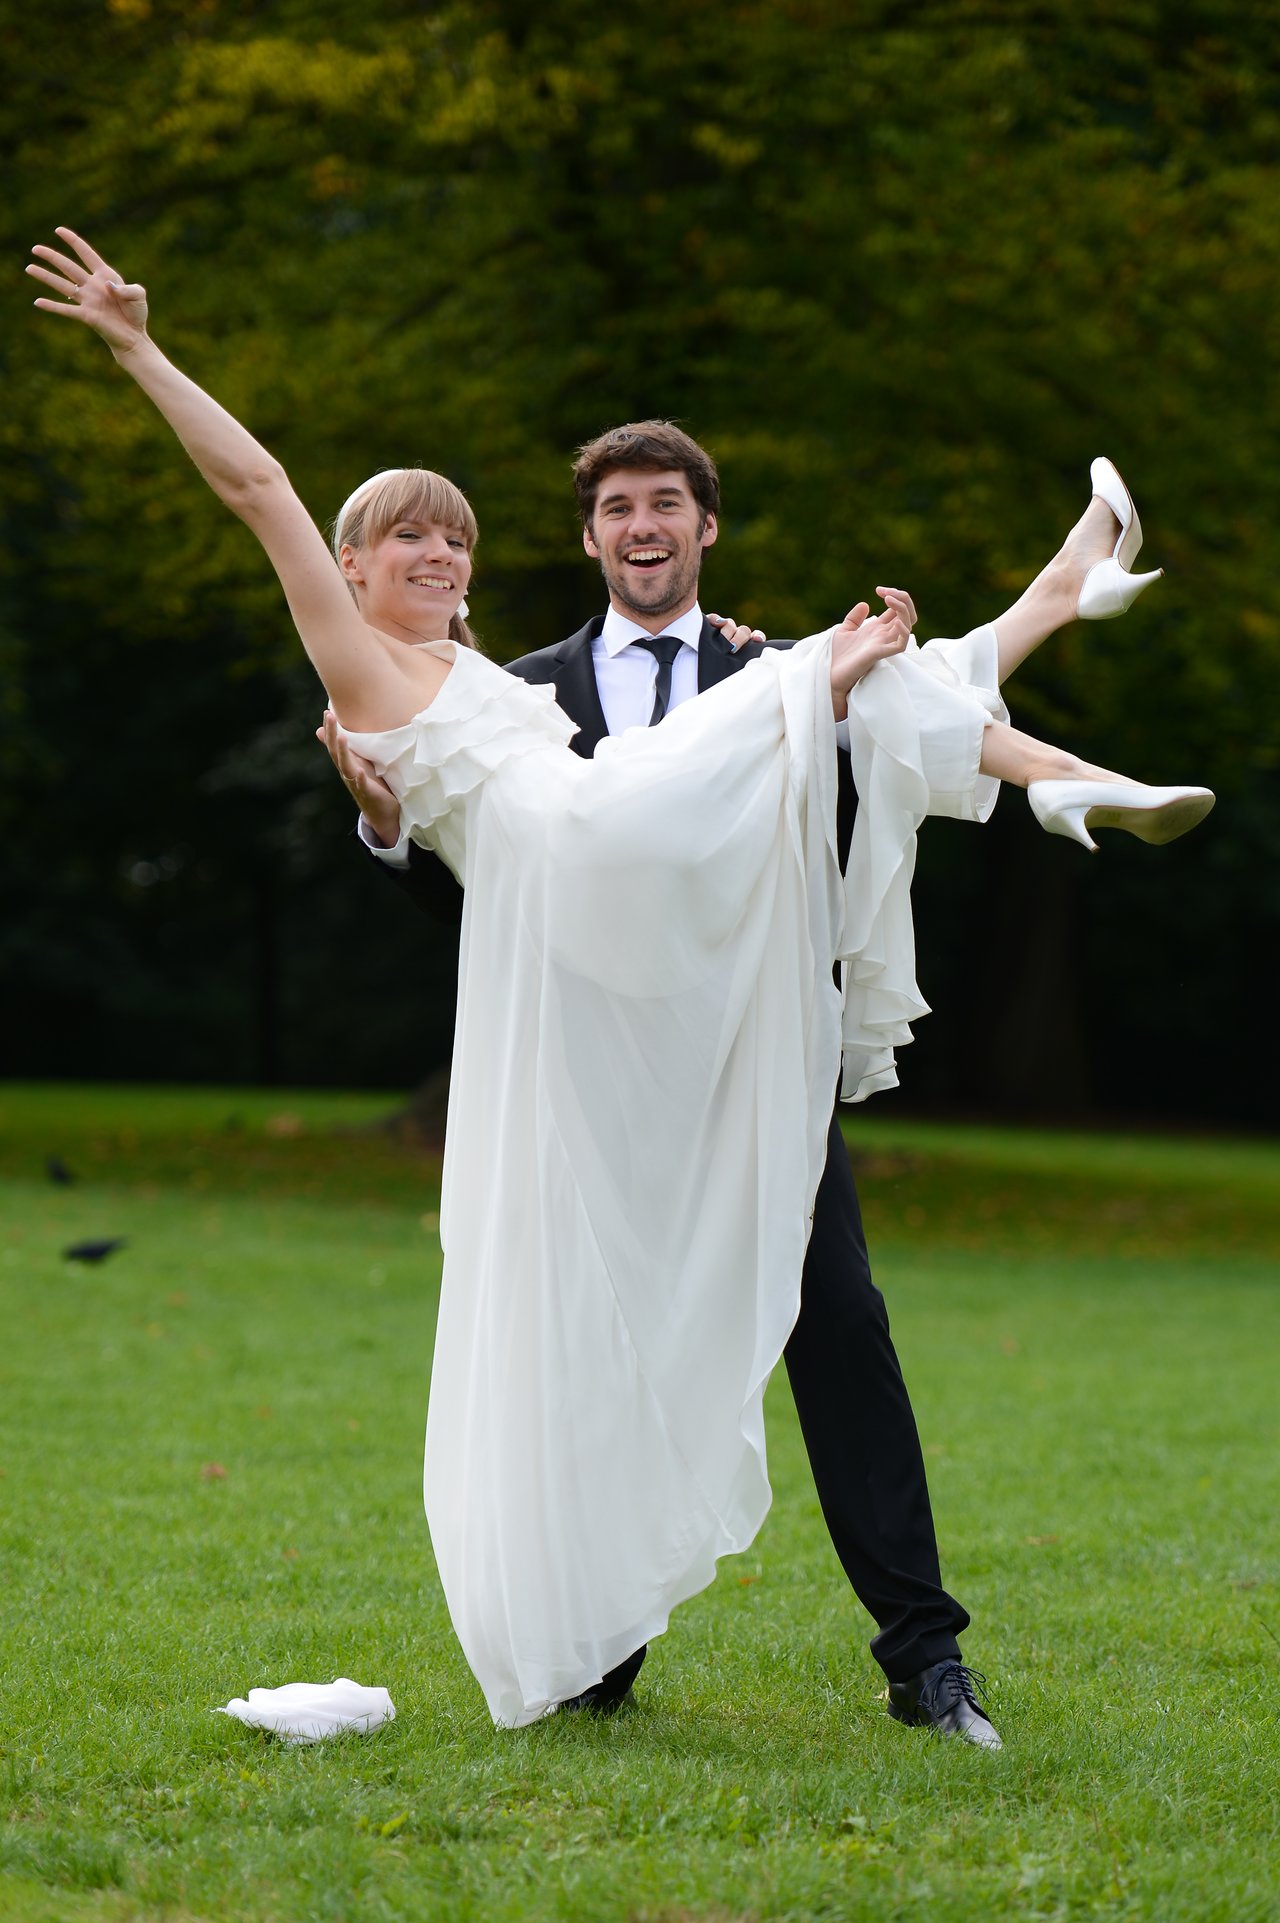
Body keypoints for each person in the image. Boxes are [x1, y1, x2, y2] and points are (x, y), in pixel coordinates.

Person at [29, 227, 1212, 1740]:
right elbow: (261, 493)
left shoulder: (505, 678)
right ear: (351, 566)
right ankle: (1055, 674)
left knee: (836, 684)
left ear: (693, 528)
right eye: (403, 538)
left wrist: (786, 679)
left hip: (654, 913)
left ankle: (1058, 686)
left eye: (452, 536)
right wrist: (137, 346)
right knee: (826, 678)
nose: (437, 554)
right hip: (588, 894)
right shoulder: (380, 666)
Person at [325, 425, 1211, 1745]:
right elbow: (479, 876)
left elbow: (856, 784)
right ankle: (600, 1642)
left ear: (703, 529)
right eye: (617, 506)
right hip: (592, 1080)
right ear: (587, 538)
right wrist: (384, 820)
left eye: (667, 504)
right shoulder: (517, 685)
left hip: (750, 1067)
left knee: (840, 1332)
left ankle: (926, 1658)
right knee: (591, 1348)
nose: (643, 525)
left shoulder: (764, 662)